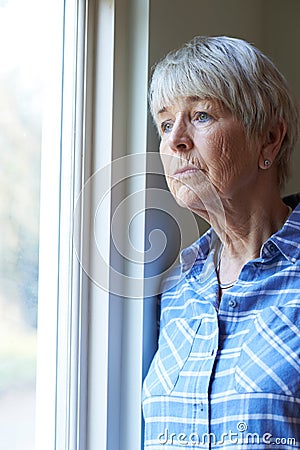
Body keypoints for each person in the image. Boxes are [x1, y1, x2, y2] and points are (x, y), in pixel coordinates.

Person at [142, 36, 300, 449]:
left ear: (269, 138)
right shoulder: (176, 287)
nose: (175, 139)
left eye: (201, 115)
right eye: (164, 123)